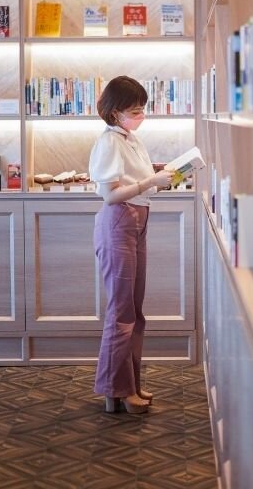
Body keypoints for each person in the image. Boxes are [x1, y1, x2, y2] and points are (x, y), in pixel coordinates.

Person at [89, 75, 173, 414]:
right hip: (119, 223)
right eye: (134, 111)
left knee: (135, 312)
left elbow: (135, 181)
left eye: (142, 109)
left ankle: (130, 384)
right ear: (114, 113)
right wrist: (150, 181)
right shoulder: (109, 142)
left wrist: (159, 177)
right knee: (122, 311)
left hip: (137, 221)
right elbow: (110, 194)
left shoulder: (131, 139)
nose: (141, 116)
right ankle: (116, 390)